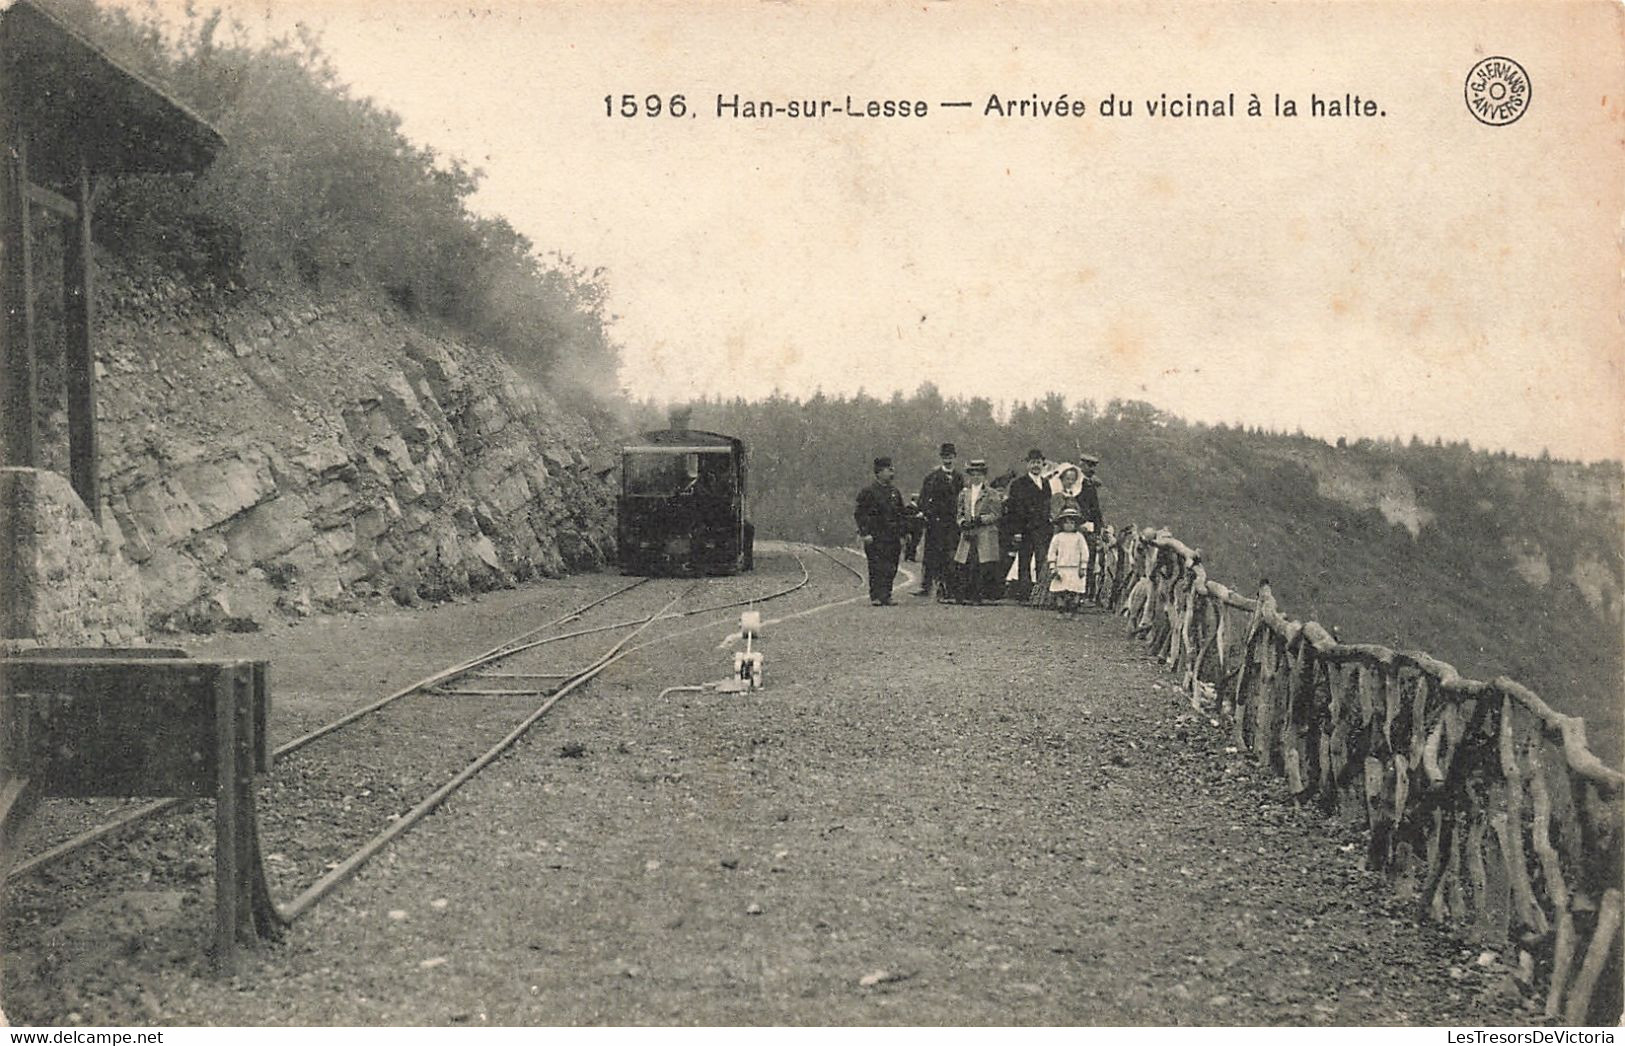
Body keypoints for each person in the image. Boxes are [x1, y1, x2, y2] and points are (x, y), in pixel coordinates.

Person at [854, 456, 908, 606]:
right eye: (887, 469)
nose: (891, 472)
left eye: (892, 469)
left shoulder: (894, 492)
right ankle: (876, 595)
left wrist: (903, 534)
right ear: (878, 472)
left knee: (891, 566)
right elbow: (860, 514)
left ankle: (887, 594)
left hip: (892, 536)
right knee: (876, 566)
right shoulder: (868, 492)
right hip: (875, 536)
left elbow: (901, 514)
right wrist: (865, 533)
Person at [915, 442, 963, 598]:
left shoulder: (959, 478)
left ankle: (948, 586)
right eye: (945, 457)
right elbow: (923, 499)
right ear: (941, 458)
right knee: (931, 554)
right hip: (935, 523)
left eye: (950, 457)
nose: (947, 460)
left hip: (953, 524)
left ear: (955, 457)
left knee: (950, 554)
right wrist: (928, 514)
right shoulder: (932, 478)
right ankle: (926, 585)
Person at [1003, 449, 1052, 601]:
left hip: (1042, 530)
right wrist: (1016, 531)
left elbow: (1048, 506)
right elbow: (1013, 510)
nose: (1035, 466)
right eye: (1032, 463)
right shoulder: (1018, 484)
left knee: (1041, 561)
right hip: (1025, 529)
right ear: (1027, 465)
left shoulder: (1046, 483)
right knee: (1024, 561)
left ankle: (1039, 595)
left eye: (1038, 462)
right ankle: (1023, 594)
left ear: (1042, 464)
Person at [953, 459, 1003, 605]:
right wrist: (963, 522)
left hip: (984, 532)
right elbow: (959, 513)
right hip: (968, 532)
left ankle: (978, 595)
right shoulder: (964, 493)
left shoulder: (991, 493)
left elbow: (996, 514)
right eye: (973, 474)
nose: (976, 477)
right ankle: (964, 595)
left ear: (984, 476)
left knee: (981, 564)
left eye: (979, 474)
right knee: (965, 563)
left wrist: (981, 520)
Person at [1046, 508, 1091, 615]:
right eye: (1066, 523)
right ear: (1062, 524)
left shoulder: (1079, 537)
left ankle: (1073, 612)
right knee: (1060, 591)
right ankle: (1060, 612)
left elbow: (1084, 552)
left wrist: (1083, 567)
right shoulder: (1057, 537)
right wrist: (1053, 567)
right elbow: (1052, 552)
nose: (1069, 525)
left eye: (1072, 523)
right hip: (1061, 567)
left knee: (1075, 591)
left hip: (1075, 568)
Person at [1075, 453, 1106, 602]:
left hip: (1090, 527)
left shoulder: (1091, 484)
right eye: (1089, 465)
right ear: (1082, 465)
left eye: (1093, 466)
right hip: (1075, 525)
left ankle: (1086, 594)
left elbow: (1096, 509)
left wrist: (1100, 527)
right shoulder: (1075, 481)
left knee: (1089, 560)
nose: (1092, 469)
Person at [902, 494, 925, 562]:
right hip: (911, 527)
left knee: (914, 542)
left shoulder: (918, 507)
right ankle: (909, 556)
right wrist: (916, 516)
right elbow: (906, 517)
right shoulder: (909, 507)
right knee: (911, 543)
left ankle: (911, 556)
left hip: (916, 527)